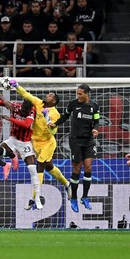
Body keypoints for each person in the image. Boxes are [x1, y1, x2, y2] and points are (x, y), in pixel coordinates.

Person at [3, 78, 72, 201]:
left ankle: (35, 197)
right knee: (49, 167)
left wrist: (47, 119)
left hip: (47, 143)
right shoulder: (38, 103)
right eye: (48, 94)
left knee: (39, 165)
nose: (47, 95)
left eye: (50, 95)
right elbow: (26, 95)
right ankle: (67, 184)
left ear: (54, 101)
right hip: (35, 141)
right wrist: (17, 86)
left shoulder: (55, 114)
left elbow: (53, 132)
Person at [48, 84, 99, 212]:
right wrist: (55, 124)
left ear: (87, 94)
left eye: (80, 94)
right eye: (77, 94)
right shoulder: (73, 104)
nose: (78, 96)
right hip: (75, 140)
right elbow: (65, 116)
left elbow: (96, 121)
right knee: (77, 168)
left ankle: (85, 197)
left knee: (88, 167)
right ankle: (74, 198)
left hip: (88, 141)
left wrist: (95, 129)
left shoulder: (94, 106)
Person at [0, 99, 42, 210]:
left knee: (32, 169)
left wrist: (9, 118)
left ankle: (37, 198)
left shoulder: (32, 112)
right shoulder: (16, 106)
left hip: (25, 143)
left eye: (25, 111)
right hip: (13, 139)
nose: (23, 112)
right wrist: (5, 102)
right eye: (23, 110)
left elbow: (26, 125)